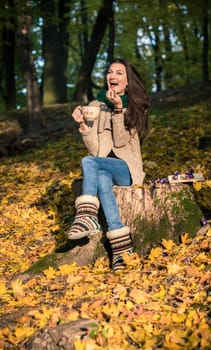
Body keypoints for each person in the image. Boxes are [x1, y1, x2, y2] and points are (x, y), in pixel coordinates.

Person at [69, 58, 150, 271]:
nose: (113, 76)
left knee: (88, 162)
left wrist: (118, 110)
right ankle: (122, 249)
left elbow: (122, 142)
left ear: (127, 81)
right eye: (110, 72)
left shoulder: (135, 105)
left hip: (126, 169)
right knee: (101, 177)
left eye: (119, 73)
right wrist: (84, 126)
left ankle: (86, 216)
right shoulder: (95, 106)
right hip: (104, 166)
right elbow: (95, 151)